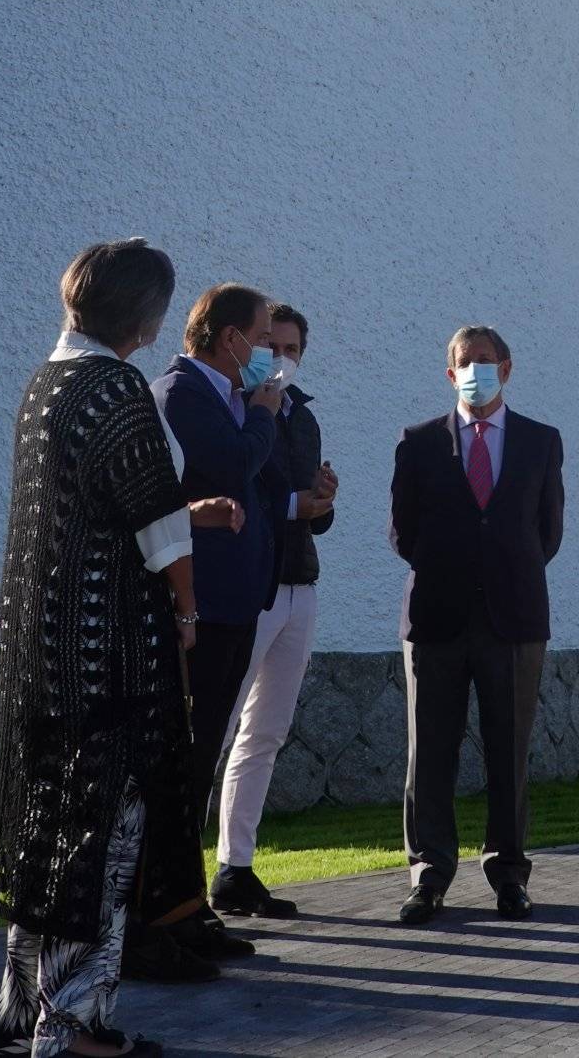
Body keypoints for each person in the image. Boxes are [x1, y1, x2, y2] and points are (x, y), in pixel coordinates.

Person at [0, 238, 196, 1058]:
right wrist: (185, 613)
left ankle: (21, 1016)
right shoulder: (116, 388)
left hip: (39, 646)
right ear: (142, 316)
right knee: (101, 839)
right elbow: (160, 523)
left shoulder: (45, 383)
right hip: (103, 652)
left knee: (45, 834)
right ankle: (71, 1027)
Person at [392, 325, 566, 924]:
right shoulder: (417, 442)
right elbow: (402, 531)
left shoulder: (542, 441)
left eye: (486, 361)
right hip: (436, 618)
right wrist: (454, 571)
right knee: (429, 755)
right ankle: (428, 875)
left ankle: (510, 876)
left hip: (514, 619)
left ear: (507, 369)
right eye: (465, 363)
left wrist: (499, 572)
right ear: (450, 374)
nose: (476, 371)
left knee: (508, 754)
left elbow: (548, 532)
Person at [147, 285, 285, 976]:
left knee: (205, 755)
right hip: (201, 604)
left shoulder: (228, 396)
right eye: (262, 337)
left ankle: (189, 905)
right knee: (189, 759)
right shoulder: (181, 390)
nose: (267, 352)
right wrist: (263, 413)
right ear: (229, 337)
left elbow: (252, 482)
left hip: (239, 599)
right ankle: (167, 909)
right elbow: (232, 464)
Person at [209, 302, 339, 921]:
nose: (280, 360)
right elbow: (248, 491)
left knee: (266, 733)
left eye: (292, 351)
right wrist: (297, 505)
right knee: (218, 727)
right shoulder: (235, 406)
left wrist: (322, 502)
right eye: (273, 346)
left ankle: (236, 868)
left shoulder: (302, 414)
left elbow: (310, 507)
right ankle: (179, 873)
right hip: (250, 585)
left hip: (299, 581)